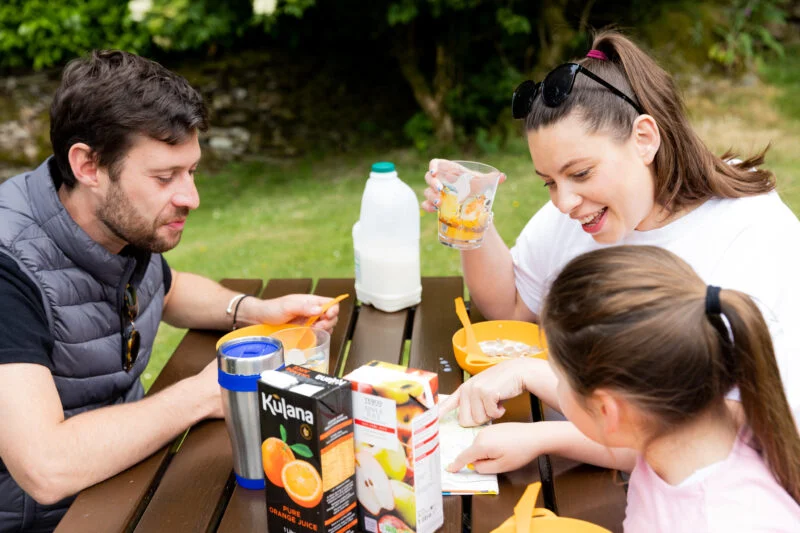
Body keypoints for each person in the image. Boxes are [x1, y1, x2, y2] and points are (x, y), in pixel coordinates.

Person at [424, 29, 800, 474]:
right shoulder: (583, 213)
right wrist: (472, 216)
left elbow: (745, 426)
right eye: (549, 182)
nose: (563, 202)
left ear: (644, 138)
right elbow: (511, 307)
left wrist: (544, 427)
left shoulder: (753, 232)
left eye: (580, 173)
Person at [0, 50, 339, 532]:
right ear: (88, 166)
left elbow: (167, 288)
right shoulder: (10, 269)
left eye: (191, 171)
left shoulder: (115, 220)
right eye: (164, 177)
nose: (191, 198)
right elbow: (45, 467)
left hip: (127, 481)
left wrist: (257, 310)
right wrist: (202, 395)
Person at [493, 246, 800, 530]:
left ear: (608, 411)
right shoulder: (692, 435)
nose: (556, 384)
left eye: (560, 378)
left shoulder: (719, 521)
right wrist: (528, 383)